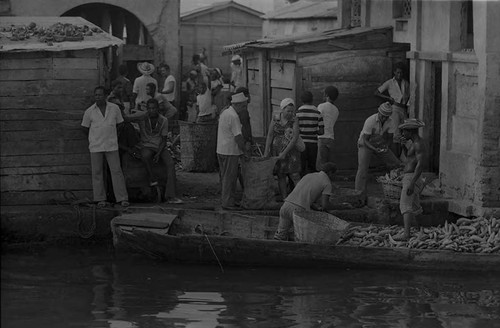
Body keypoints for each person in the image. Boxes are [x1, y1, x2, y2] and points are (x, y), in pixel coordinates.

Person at [125, 98, 183, 204]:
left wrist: (159, 153)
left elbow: (164, 140)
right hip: (146, 146)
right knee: (145, 155)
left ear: (158, 109)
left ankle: (171, 196)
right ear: (147, 109)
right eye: (150, 108)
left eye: (154, 108)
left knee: (170, 164)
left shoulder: (164, 120)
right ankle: (152, 178)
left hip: (160, 146)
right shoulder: (142, 117)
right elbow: (126, 118)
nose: (152, 110)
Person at [81, 86, 129, 208]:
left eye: (100, 95)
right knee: (97, 173)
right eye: (96, 95)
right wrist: (94, 137)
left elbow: (120, 124)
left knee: (116, 171)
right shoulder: (89, 111)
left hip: (111, 145)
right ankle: (100, 199)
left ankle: (122, 198)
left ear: (106, 96)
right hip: (96, 146)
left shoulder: (114, 108)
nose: (98, 97)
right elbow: (84, 128)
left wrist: (112, 135)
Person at [274, 162, 340, 241]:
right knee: (304, 238)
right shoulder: (327, 182)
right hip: (298, 211)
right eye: (334, 174)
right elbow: (325, 205)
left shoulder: (309, 175)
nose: (335, 177)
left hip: (286, 205)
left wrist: (315, 207)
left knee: (280, 236)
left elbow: (303, 195)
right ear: (330, 173)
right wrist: (341, 206)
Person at [354, 102, 401, 195]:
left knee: (396, 163)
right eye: (382, 116)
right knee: (362, 169)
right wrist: (374, 149)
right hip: (365, 143)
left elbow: (389, 139)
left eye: (386, 117)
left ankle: (396, 187)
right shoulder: (370, 120)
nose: (383, 118)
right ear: (379, 112)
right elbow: (365, 140)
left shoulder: (391, 122)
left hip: (379, 142)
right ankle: (359, 193)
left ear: (389, 116)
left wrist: (385, 147)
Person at [394, 119, 426, 241]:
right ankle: (420, 230)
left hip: (412, 177)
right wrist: (403, 146)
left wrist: (412, 183)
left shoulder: (418, 144)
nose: (403, 134)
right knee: (415, 206)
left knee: (405, 205)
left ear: (410, 131)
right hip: (411, 176)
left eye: (404, 132)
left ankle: (406, 234)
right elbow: (410, 157)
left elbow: (420, 165)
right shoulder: (414, 143)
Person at [264, 98, 302, 200]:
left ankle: (300, 198)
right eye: (288, 111)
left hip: (291, 151)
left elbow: (294, 138)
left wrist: (284, 153)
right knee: (281, 174)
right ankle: (285, 198)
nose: (290, 113)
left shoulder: (294, 119)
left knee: (295, 174)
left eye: (292, 111)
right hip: (277, 150)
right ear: (282, 109)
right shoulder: (276, 117)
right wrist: (266, 151)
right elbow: (270, 135)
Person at [216, 92, 249, 210]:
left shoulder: (225, 112)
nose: (244, 108)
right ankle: (227, 202)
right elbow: (238, 137)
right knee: (230, 178)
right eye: (244, 106)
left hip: (221, 149)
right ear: (238, 105)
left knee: (225, 177)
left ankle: (227, 200)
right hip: (230, 151)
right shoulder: (234, 116)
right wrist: (244, 151)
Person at [374, 62, 410, 157]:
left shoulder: (405, 83)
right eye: (397, 72)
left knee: (405, 133)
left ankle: (402, 159)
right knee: (396, 134)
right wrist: (387, 98)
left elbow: (409, 96)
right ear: (394, 72)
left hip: (404, 109)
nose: (399, 75)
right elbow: (376, 92)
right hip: (395, 109)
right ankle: (396, 160)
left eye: (401, 73)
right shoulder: (389, 82)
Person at [296, 91, 324, 175]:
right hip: (313, 144)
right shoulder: (318, 114)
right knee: (312, 167)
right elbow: (322, 132)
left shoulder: (297, 114)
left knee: (302, 167)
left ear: (302, 100)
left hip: (300, 144)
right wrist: (313, 131)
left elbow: (295, 130)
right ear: (312, 100)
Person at [316, 86, 340, 171]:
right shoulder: (336, 110)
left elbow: (317, 119)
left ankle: (321, 182)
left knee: (320, 165)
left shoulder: (321, 106)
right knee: (328, 164)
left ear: (326, 95)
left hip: (322, 137)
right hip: (331, 138)